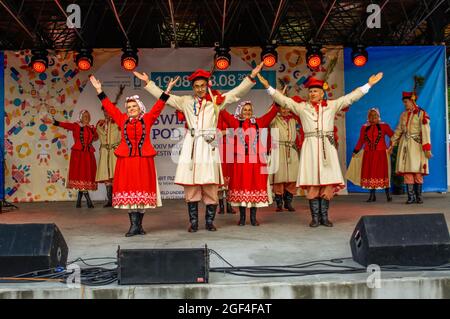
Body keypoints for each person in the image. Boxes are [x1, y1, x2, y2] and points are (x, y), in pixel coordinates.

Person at [134, 63, 263, 232]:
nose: (200, 89)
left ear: (207, 85)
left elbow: (236, 93)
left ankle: (209, 222)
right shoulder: (186, 101)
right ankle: (194, 223)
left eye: (203, 85)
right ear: (193, 87)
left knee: (210, 185)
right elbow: (166, 98)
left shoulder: (215, 102)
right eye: (196, 86)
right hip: (192, 144)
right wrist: (149, 83)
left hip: (209, 144)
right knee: (191, 185)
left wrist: (251, 76)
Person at [258, 72, 383, 227]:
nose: (312, 94)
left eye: (315, 91)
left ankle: (324, 216)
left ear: (322, 93)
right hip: (310, 146)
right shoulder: (302, 108)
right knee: (312, 182)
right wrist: (268, 87)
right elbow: (284, 100)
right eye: (310, 91)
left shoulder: (331, 106)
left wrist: (368, 84)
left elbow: (350, 97)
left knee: (327, 182)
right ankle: (315, 218)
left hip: (326, 147)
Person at [89, 74, 178, 237]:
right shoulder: (122, 119)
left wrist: (167, 90)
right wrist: (99, 90)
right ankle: (133, 226)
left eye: (134, 107)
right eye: (129, 107)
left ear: (140, 108)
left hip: (144, 161)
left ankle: (140, 226)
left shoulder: (148, 119)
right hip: (127, 162)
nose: (130, 109)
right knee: (131, 193)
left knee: (142, 193)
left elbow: (159, 106)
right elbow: (109, 107)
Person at [219, 101, 279, 226]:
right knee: (241, 186)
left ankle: (253, 218)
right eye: (245, 110)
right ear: (240, 111)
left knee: (254, 186)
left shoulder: (258, 122)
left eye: (249, 110)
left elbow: (271, 114)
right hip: (240, 161)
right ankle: (242, 218)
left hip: (255, 161)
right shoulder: (235, 123)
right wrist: (220, 102)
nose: (247, 112)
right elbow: (223, 113)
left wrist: (277, 102)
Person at [389, 91, 432, 204]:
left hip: (417, 146)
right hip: (406, 145)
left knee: (417, 170)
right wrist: (393, 142)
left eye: (406, 102)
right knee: (407, 170)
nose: (405, 104)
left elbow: (426, 131)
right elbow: (399, 129)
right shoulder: (403, 115)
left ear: (412, 101)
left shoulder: (421, 114)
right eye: (404, 102)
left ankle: (419, 196)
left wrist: (427, 148)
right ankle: (411, 197)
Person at [53, 110, 98, 208]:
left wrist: (96, 129)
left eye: (88, 116)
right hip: (78, 154)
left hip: (88, 154)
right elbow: (66, 125)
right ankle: (88, 201)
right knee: (80, 175)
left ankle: (78, 200)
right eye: (84, 116)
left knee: (85, 176)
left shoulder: (92, 128)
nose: (86, 118)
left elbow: (96, 138)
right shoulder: (76, 126)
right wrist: (56, 122)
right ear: (80, 117)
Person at [269, 96, 304, 212]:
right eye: (282, 108)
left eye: (287, 108)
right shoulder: (274, 119)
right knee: (279, 177)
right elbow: (269, 114)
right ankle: (279, 203)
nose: (285, 111)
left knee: (292, 177)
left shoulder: (294, 120)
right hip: (278, 148)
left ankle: (288, 202)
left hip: (291, 149)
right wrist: (276, 102)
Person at [352, 108, 394, 202]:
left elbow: (393, 136)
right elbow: (361, 140)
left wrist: (391, 147)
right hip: (368, 154)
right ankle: (372, 196)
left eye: (375, 115)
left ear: (378, 116)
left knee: (382, 173)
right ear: (368, 117)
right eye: (371, 116)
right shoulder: (364, 127)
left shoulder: (384, 126)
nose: (373, 117)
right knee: (370, 174)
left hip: (381, 153)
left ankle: (388, 195)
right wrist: (355, 151)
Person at [96, 105, 121, 207]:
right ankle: (110, 200)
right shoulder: (100, 124)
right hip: (105, 152)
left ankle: (118, 199)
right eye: (105, 111)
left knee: (116, 175)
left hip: (115, 152)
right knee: (106, 175)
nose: (106, 113)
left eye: (108, 111)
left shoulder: (118, 123)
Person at [216, 111, 236, 215]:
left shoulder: (230, 116)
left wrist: (223, 132)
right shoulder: (213, 117)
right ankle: (221, 205)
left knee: (229, 178)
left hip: (229, 150)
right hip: (218, 150)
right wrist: (227, 132)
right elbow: (214, 134)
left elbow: (236, 130)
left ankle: (229, 205)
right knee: (220, 177)